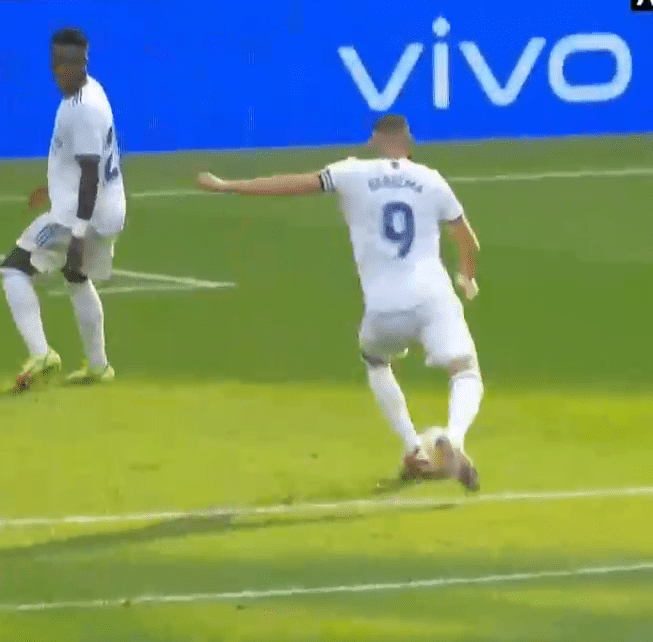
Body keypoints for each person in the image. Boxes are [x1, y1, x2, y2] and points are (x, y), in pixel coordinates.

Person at [195, 114, 485, 491]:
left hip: (383, 306)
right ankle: (455, 439)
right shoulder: (431, 180)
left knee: (377, 360)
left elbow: (292, 185)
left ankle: (414, 447)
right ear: (408, 142)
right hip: (432, 298)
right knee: (464, 371)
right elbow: (468, 241)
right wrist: (467, 276)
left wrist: (228, 185)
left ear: (374, 141)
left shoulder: (351, 172)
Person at [0, 27, 124, 391]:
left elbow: (90, 174)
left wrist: (78, 235)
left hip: (80, 216)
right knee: (76, 277)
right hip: (108, 212)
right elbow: (84, 164)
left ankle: (41, 354)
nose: (62, 69)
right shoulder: (91, 92)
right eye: (57, 61)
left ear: (84, 61)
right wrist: (54, 186)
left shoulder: (82, 109)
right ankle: (99, 366)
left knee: (14, 269)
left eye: (70, 61)